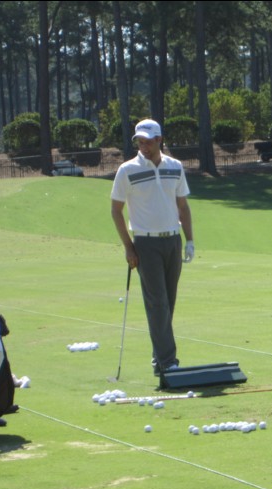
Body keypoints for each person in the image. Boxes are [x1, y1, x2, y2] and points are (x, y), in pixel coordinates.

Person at [110, 119, 194, 376]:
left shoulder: (175, 167)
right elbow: (116, 211)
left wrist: (189, 240)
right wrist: (129, 248)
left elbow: (182, 206)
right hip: (145, 243)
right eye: (140, 142)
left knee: (169, 301)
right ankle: (169, 362)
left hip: (172, 240)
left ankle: (160, 358)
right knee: (158, 303)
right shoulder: (127, 170)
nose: (143, 146)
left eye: (148, 141)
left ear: (159, 140)